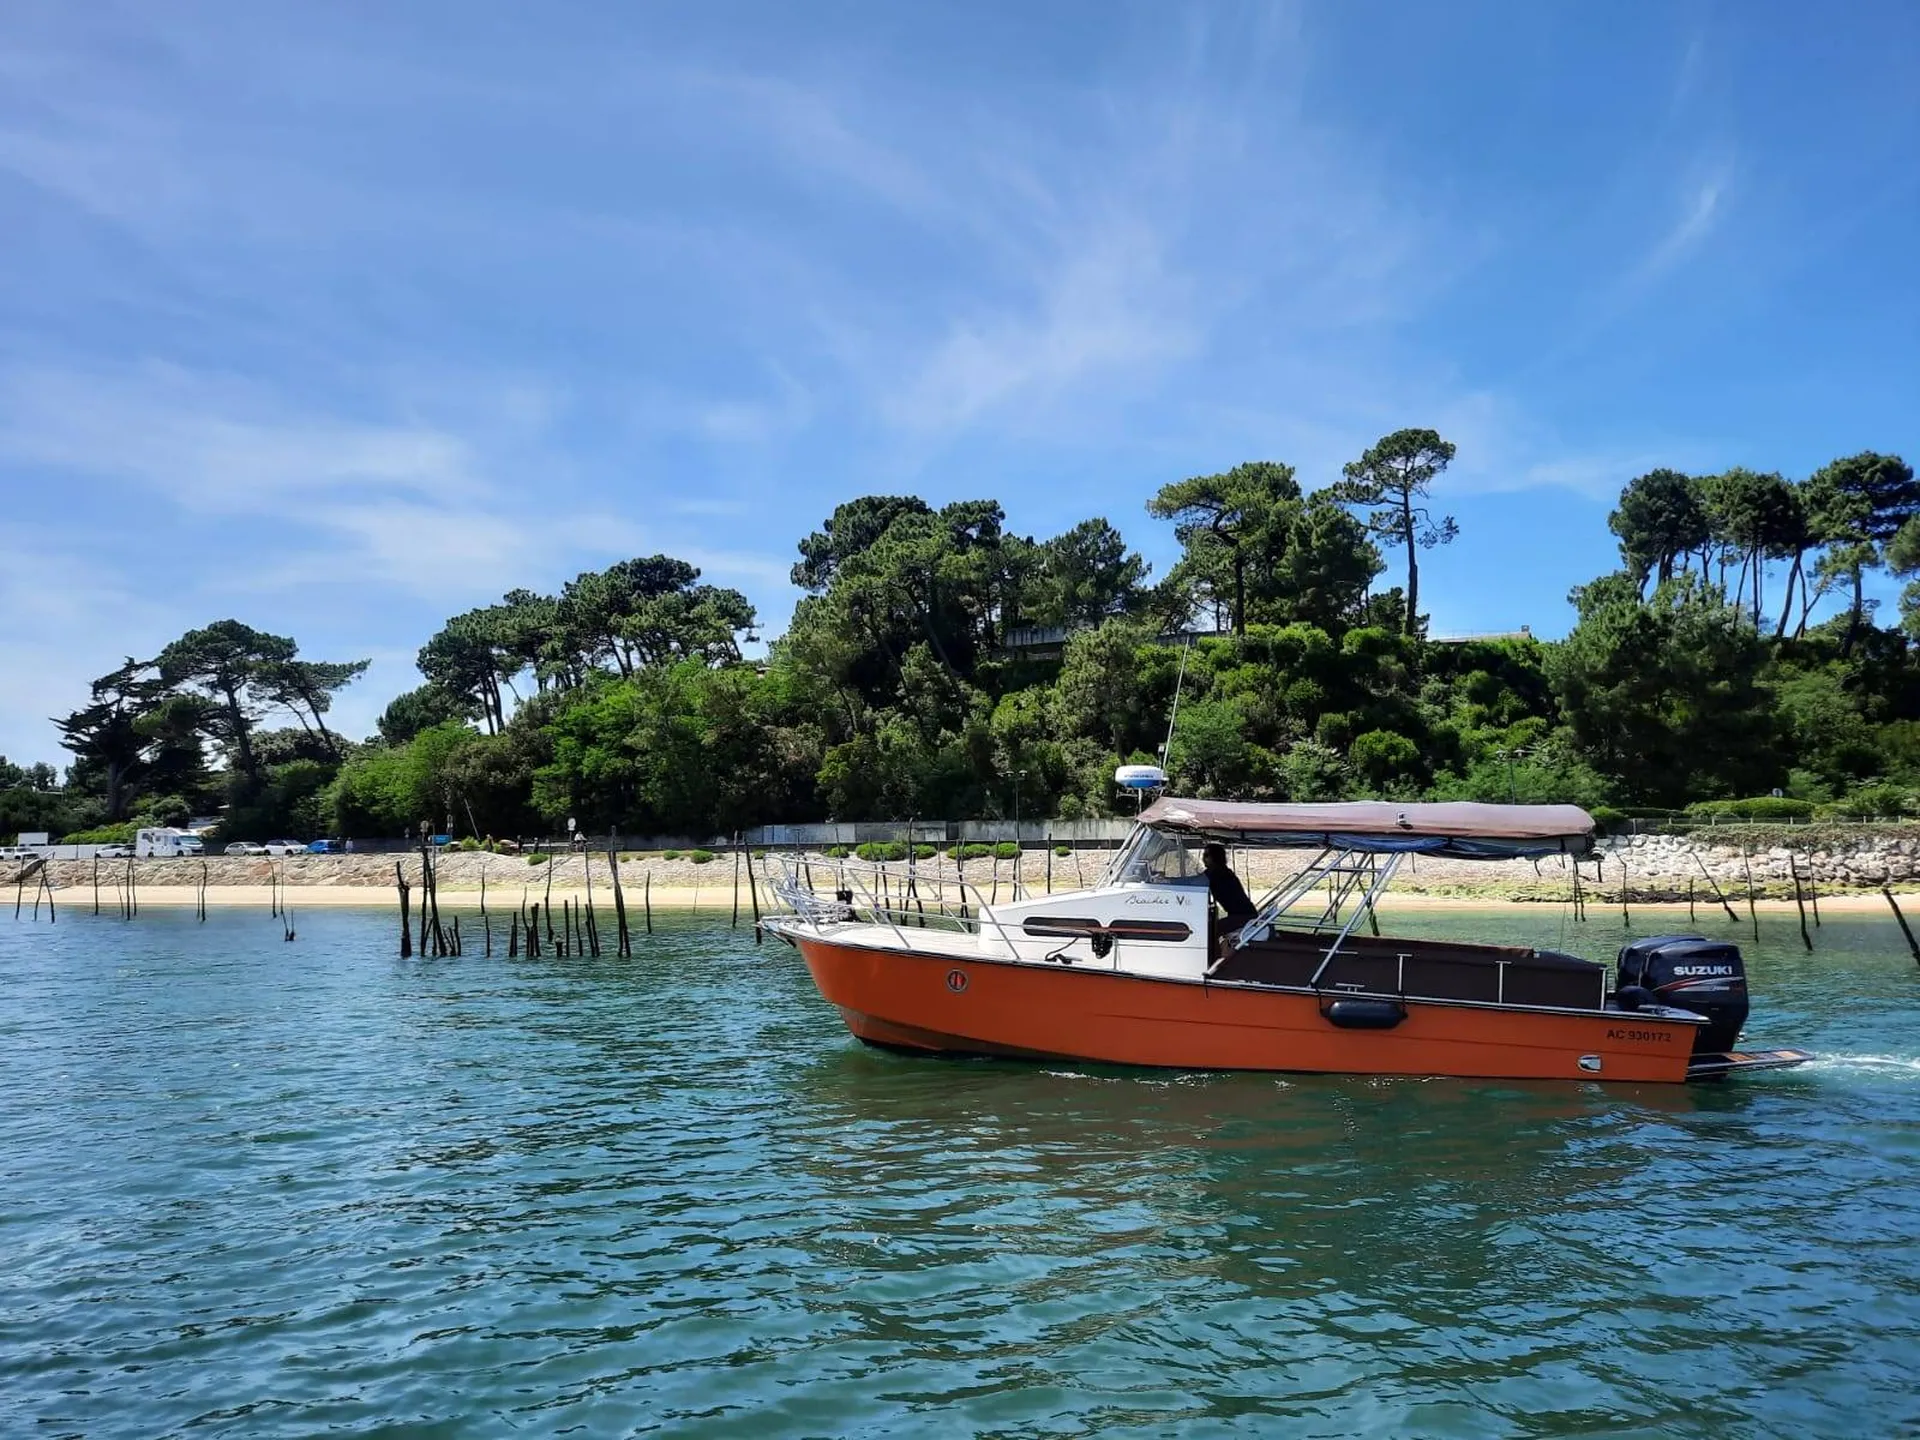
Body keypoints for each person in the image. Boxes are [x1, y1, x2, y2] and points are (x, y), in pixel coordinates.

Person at [1202, 842, 1258, 929]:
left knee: (1209, 930)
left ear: (1215, 857)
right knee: (1212, 928)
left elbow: (1195, 881)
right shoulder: (1223, 871)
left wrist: (1173, 881)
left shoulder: (1216, 872)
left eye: (1206, 855)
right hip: (1243, 915)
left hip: (1244, 917)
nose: (1203, 859)